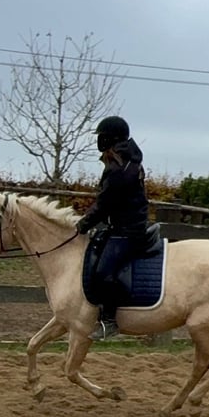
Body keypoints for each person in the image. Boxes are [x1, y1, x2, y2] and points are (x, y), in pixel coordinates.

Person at [75, 115, 150, 340]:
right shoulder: (121, 161)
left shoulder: (120, 167)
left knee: (104, 272)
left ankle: (110, 321)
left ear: (111, 138)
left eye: (101, 137)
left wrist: (82, 225)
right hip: (120, 226)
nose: (98, 141)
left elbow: (104, 204)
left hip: (127, 230)